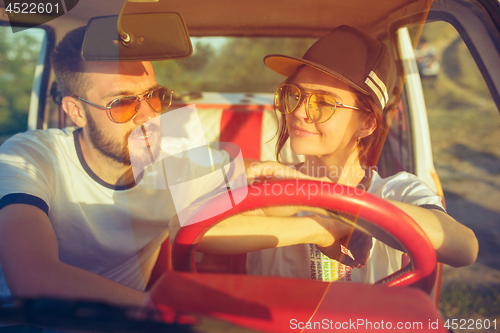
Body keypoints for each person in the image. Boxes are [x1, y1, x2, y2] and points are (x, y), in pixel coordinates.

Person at [193, 25, 478, 283]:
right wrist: (321, 228)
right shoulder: (271, 179)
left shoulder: (396, 190)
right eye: (295, 94)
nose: (299, 112)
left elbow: (464, 248)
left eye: (324, 103)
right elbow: (194, 230)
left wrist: (333, 202)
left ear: (366, 123)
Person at [0, 26, 230, 309]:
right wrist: (156, 311)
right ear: (76, 112)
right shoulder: (30, 156)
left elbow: (263, 195)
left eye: (154, 96)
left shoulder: (177, 159)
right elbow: (32, 276)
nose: (148, 116)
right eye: (122, 104)